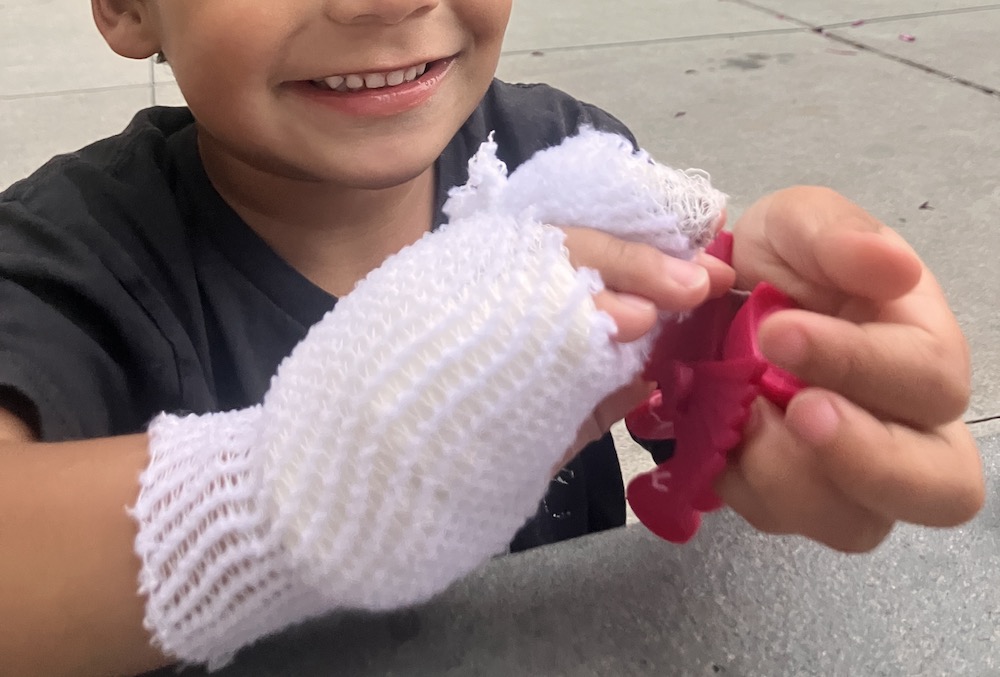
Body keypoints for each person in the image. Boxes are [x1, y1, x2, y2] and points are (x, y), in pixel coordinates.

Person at [0, 0, 984, 675]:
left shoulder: (563, 162)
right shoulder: (67, 256)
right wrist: (294, 490)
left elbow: (698, 422)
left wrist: (767, 350)